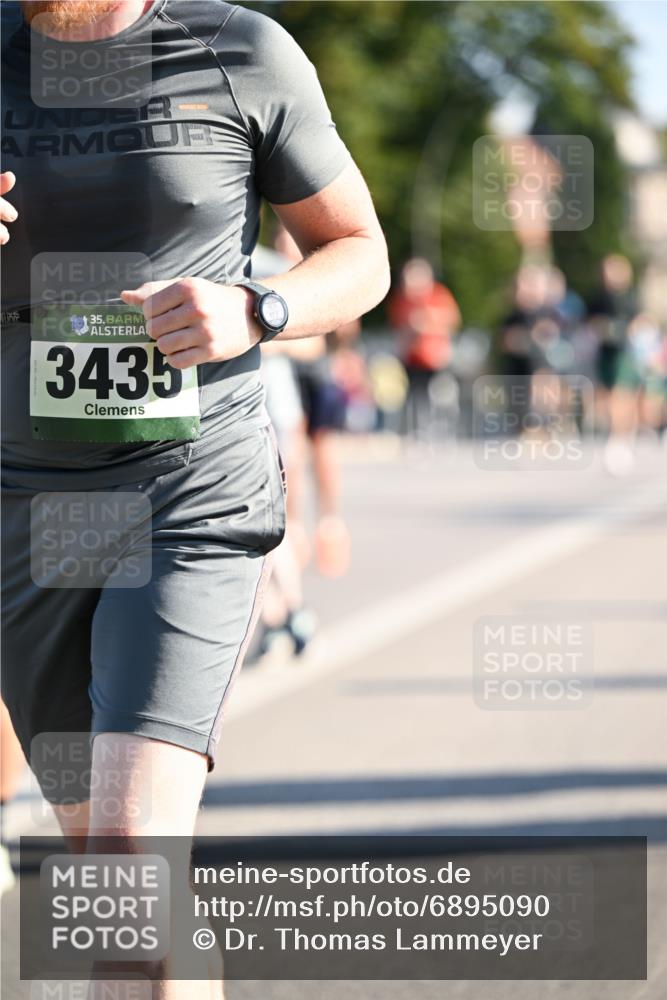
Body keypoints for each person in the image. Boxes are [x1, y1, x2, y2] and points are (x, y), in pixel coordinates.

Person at [1, 2, 390, 997]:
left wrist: (259, 306)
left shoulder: (237, 50)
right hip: (23, 506)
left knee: (128, 859)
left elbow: (359, 252)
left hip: (188, 490)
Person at [388, 258, 461, 442]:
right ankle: (417, 430)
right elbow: (399, 327)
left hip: (435, 358)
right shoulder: (402, 300)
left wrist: (425, 325)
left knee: (441, 395)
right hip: (412, 357)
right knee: (415, 395)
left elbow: (451, 322)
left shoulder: (439, 296)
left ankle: (442, 431)